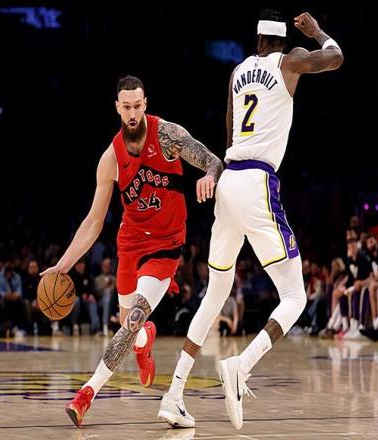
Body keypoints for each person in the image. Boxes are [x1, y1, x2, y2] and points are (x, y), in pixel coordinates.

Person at [159, 9, 343, 430]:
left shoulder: (238, 71)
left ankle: (174, 395)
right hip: (258, 181)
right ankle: (241, 366)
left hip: (229, 179)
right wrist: (318, 32)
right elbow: (336, 57)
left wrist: (218, 176)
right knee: (294, 296)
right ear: (281, 42)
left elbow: (228, 133)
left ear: (258, 40)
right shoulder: (290, 61)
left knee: (215, 292)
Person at [40, 75, 223, 427]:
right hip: (131, 242)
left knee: (132, 320)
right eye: (127, 107)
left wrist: (210, 176)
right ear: (117, 108)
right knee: (130, 325)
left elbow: (213, 161)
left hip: (166, 245)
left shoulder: (168, 136)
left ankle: (86, 394)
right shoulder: (110, 158)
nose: (133, 113)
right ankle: (143, 340)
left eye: (138, 105)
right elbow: (94, 221)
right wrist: (63, 265)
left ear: (145, 104)